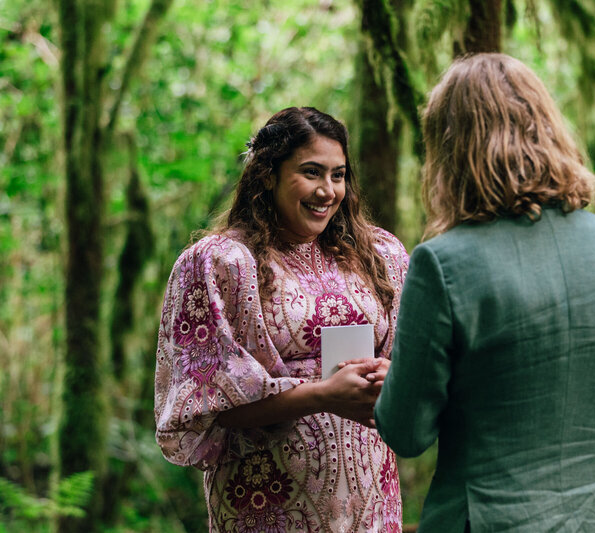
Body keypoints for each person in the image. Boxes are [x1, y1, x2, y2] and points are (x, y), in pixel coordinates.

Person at [374, 53, 595, 532]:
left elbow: (407, 432)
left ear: (449, 149)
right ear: (550, 130)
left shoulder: (441, 263)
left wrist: (393, 384)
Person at [155, 107, 408, 533]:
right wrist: (321, 395)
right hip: (266, 502)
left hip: (371, 497)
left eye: (339, 175)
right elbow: (205, 406)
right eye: (311, 172)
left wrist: (392, 376)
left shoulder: (380, 254)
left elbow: (410, 362)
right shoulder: (221, 263)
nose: (327, 190)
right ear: (268, 174)